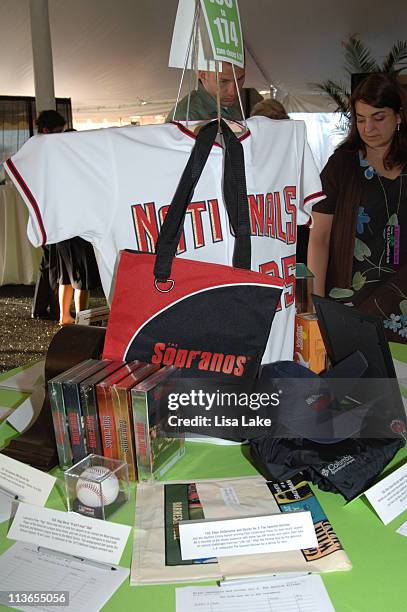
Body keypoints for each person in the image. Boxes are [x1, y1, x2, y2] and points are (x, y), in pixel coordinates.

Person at [308, 73, 407, 342]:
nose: (368, 128)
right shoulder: (342, 165)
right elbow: (319, 237)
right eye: (361, 119)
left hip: (402, 302)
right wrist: (315, 305)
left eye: (378, 117)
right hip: (349, 298)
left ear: (398, 116)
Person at [31, 110, 66, 320]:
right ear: (47, 130)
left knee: (48, 260)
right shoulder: (45, 150)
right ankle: (54, 307)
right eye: (58, 131)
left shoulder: (36, 149)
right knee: (53, 260)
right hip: (48, 210)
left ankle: (42, 306)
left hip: (43, 209)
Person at [166, 61, 245, 122]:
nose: (233, 92)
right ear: (202, 74)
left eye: (240, 79)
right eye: (223, 81)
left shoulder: (231, 108)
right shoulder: (185, 117)